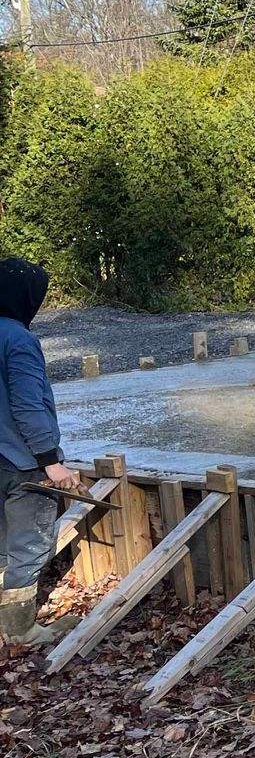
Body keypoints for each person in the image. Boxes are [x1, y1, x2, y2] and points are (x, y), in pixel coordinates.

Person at [0, 259, 84, 647]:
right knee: (29, 545)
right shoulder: (17, 339)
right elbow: (29, 404)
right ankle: (20, 631)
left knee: (1, 543)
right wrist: (51, 461)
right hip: (22, 462)